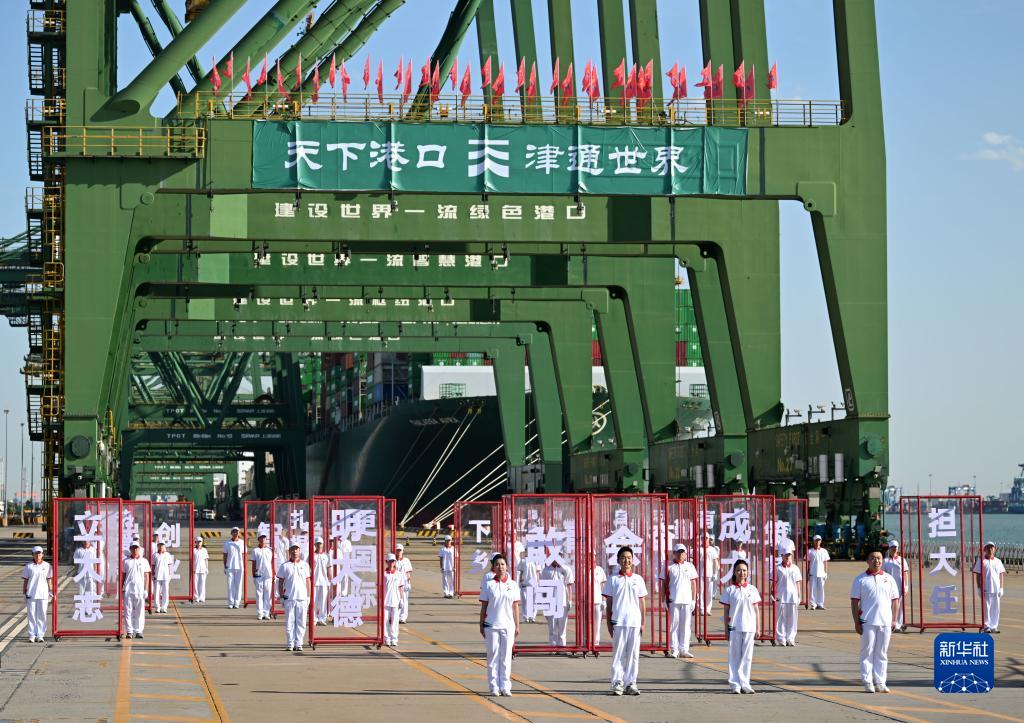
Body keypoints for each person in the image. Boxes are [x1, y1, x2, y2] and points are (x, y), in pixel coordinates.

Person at [850, 548, 900, 693]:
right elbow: (854, 602)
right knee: (867, 652)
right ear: (867, 561)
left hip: (885, 621)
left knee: (882, 653)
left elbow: (895, 601)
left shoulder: (889, 579)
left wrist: (894, 620)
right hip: (867, 622)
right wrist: (856, 622)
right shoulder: (860, 579)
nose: (876, 560)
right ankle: (867, 682)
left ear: (882, 561)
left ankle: (880, 682)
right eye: (872, 558)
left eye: (879, 558)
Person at [603, 546, 648, 696]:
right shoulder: (613, 579)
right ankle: (617, 682)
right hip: (619, 621)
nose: (626, 560)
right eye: (623, 558)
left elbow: (642, 603)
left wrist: (643, 622)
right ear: (618, 560)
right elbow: (609, 603)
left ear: (632, 560)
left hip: (634, 622)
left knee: (633, 654)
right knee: (619, 653)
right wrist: (609, 623)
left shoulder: (638, 579)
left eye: (629, 558)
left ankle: (631, 683)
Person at [479, 553, 521, 697]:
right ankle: (493, 686)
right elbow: (484, 606)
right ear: (493, 568)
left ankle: (505, 686)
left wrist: (517, 625)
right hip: (491, 625)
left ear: (507, 567)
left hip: (508, 625)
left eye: (502, 564)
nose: (500, 567)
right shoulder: (488, 584)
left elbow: (515, 606)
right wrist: (481, 624)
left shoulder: (513, 585)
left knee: (506, 657)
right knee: (493, 657)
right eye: (497, 565)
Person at [721, 559, 761, 694]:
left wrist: (758, 628)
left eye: (744, 570)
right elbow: (726, 611)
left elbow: (756, 610)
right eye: (738, 570)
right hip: (734, 627)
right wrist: (726, 629)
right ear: (734, 572)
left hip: (749, 627)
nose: (741, 573)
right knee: (734, 656)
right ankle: (735, 685)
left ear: (747, 572)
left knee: (747, 656)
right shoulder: (729, 590)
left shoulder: (752, 589)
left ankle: (745, 683)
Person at [664, 544, 698, 658]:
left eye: (682, 552)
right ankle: (675, 649)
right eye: (678, 552)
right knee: (674, 625)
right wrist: (663, 600)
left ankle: (684, 649)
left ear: (686, 554)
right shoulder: (668, 566)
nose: (680, 554)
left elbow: (693, 583)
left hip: (687, 600)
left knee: (686, 625)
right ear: (674, 553)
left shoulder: (690, 566)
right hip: (673, 599)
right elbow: (664, 584)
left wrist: (693, 600)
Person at [277, 544, 311, 652]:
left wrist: (308, 596)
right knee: (290, 622)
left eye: (296, 549)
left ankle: (299, 643)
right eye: (292, 549)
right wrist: (281, 596)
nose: (295, 552)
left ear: (299, 551)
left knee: (301, 622)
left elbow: (308, 581)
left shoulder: (305, 565)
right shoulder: (284, 566)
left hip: (302, 598)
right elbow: (280, 582)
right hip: (289, 598)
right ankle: (290, 643)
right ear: (289, 551)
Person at [773, 539, 802, 646]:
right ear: (782, 556)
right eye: (785, 555)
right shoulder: (777, 568)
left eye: (789, 555)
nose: (787, 557)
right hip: (781, 596)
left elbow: (798, 583)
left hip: (793, 597)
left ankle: (790, 638)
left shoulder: (795, 568)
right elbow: (774, 583)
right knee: (780, 618)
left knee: (792, 618)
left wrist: (799, 596)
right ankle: (781, 638)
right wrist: (772, 594)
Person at [541, 556, 574, 648]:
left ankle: (562, 645)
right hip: (550, 602)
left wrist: (570, 600)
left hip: (563, 601)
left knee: (562, 625)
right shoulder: (546, 570)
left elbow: (569, 586)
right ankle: (553, 646)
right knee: (552, 626)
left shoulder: (566, 569)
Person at [974, 542, 1006, 634]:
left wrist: (1001, 588)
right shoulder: (981, 561)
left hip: (996, 589)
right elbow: (978, 575)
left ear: (994, 549)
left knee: (996, 608)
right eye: (988, 548)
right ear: (985, 550)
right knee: (986, 608)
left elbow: (1001, 574)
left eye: (992, 548)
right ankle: (986, 626)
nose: (990, 549)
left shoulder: (998, 561)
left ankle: (994, 626)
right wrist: (979, 587)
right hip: (986, 588)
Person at [22, 546, 52, 643]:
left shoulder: (47, 566)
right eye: (36, 553)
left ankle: (40, 635)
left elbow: (49, 579)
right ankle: (32, 635)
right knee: (31, 614)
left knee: (42, 614)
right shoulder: (28, 566)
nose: (38, 555)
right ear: (33, 555)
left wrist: (51, 591)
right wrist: (24, 592)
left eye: (39, 553)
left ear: (42, 554)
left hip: (43, 593)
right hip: (31, 593)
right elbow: (25, 581)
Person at [122, 543, 151, 639]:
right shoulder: (125, 561)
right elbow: (123, 576)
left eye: (136, 548)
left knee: (140, 611)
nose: (135, 550)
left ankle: (139, 631)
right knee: (128, 611)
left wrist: (146, 589)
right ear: (130, 549)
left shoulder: (144, 561)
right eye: (133, 548)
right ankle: (129, 631)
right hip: (128, 590)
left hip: (140, 590)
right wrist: (122, 589)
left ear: (139, 549)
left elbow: (146, 576)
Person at [882, 540, 909, 631]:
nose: (894, 549)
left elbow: (905, 573)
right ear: (889, 548)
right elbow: (883, 575)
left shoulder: (902, 560)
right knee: (889, 606)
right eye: (892, 547)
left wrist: (906, 586)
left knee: (900, 607)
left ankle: (898, 625)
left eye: (895, 547)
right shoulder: (885, 561)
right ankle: (889, 623)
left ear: (898, 548)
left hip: (900, 587)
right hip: (889, 587)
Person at [249, 533, 274, 620]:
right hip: (258, 574)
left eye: (264, 538)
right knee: (259, 594)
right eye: (261, 538)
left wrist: (274, 574)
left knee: (268, 594)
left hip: (268, 575)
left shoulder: (270, 550)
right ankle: (260, 613)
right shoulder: (255, 550)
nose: (263, 539)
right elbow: (253, 563)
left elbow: (272, 563)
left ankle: (266, 612)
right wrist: (253, 575)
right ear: (258, 539)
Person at [383, 553, 403, 647]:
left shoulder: (399, 574)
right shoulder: (383, 574)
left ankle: (394, 638)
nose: (391, 563)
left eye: (393, 561)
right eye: (390, 561)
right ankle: (387, 638)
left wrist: (401, 599)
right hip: (385, 601)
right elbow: (380, 587)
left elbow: (400, 587)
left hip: (395, 600)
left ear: (395, 562)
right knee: (385, 621)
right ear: (386, 562)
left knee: (395, 621)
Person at [223, 527, 245, 609]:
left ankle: (237, 602)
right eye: (234, 532)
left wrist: (245, 566)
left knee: (238, 585)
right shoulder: (227, 543)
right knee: (230, 585)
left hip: (240, 566)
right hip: (230, 566)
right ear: (231, 533)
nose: (235, 533)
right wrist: (225, 566)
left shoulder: (242, 542)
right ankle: (231, 602)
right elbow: (225, 555)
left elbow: (244, 555)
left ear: (239, 533)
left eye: (237, 532)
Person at [517, 552, 542, 623]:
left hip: (533, 582)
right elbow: (521, 571)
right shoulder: (523, 561)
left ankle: (532, 617)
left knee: (533, 601)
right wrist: (520, 581)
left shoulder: (536, 561)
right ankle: (526, 617)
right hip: (525, 582)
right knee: (525, 601)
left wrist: (538, 583)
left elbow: (537, 573)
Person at [700, 532, 720, 615]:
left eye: (706, 538)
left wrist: (715, 573)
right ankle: (701, 608)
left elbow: (715, 562)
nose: (704, 539)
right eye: (703, 538)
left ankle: (708, 609)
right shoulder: (698, 549)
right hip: (699, 574)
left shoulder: (712, 549)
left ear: (708, 539)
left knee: (709, 592)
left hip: (709, 574)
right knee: (700, 592)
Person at [807, 535, 830, 609]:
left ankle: (820, 604)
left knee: (821, 589)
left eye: (819, 540)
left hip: (821, 573)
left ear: (821, 541)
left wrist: (826, 572)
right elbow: (807, 563)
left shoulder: (824, 551)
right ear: (813, 541)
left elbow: (825, 562)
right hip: (812, 572)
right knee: (812, 589)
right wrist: (807, 573)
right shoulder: (810, 551)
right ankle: (813, 604)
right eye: (816, 540)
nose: (817, 542)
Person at [312, 537, 330, 625]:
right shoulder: (311, 555)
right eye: (317, 544)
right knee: (314, 601)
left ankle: (322, 618)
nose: (319, 545)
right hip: (314, 582)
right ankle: (314, 618)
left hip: (324, 582)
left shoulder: (326, 556)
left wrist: (330, 580)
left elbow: (329, 568)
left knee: (323, 601)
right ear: (315, 545)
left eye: (320, 544)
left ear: (323, 544)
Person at [151, 542, 173, 613]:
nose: (161, 547)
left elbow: (170, 565)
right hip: (157, 576)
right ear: (157, 546)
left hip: (165, 576)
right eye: (159, 545)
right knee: (156, 592)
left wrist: (170, 574)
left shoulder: (167, 555)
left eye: (162, 545)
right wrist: (153, 574)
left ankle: (164, 607)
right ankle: (157, 607)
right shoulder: (154, 555)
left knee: (165, 592)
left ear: (164, 546)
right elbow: (153, 566)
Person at [395, 544, 413, 623]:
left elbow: (408, 572)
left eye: (400, 550)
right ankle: (396, 616)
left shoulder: (406, 560)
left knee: (404, 601)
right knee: (397, 601)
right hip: (396, 584)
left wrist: (409, 582)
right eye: (397, 550)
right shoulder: (393, 561)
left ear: (403, 551)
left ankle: (403, 617)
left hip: (404, 584)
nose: (399, 552)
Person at [592, 560, 608, 646]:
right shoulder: (583, 569)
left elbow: (603, 586)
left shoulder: (600, 570)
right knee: (585, 624)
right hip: (586, 601)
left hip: (598, 601)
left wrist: (604, 600)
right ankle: (585, 642)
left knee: (597, 624)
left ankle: (596, 643)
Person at [192, 537, 209, 603]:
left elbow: (206, 559)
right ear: (195, 542)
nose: (199, 543)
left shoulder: (204, 550)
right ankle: (196, 597)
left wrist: (207, 568)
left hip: (203, 569)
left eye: (200, 542)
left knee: (202, 583)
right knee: (195, 584)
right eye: (197, 542)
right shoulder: (193, 550)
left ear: (202, 542)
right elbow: (191, 560)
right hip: (195, 569)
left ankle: (202, 597)